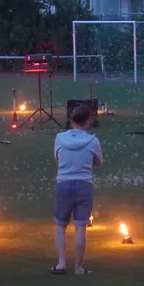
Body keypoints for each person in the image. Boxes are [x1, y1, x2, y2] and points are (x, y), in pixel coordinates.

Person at [51, 104, 102, 275]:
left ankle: (61, 263)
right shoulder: (92, 140)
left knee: (60, 225)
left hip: (64, 183)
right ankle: (78, 267)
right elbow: (99, 162)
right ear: (88, 121)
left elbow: (57, 157)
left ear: (71, 119)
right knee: (81, 227)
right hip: (83, 185)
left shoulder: (59, 138)